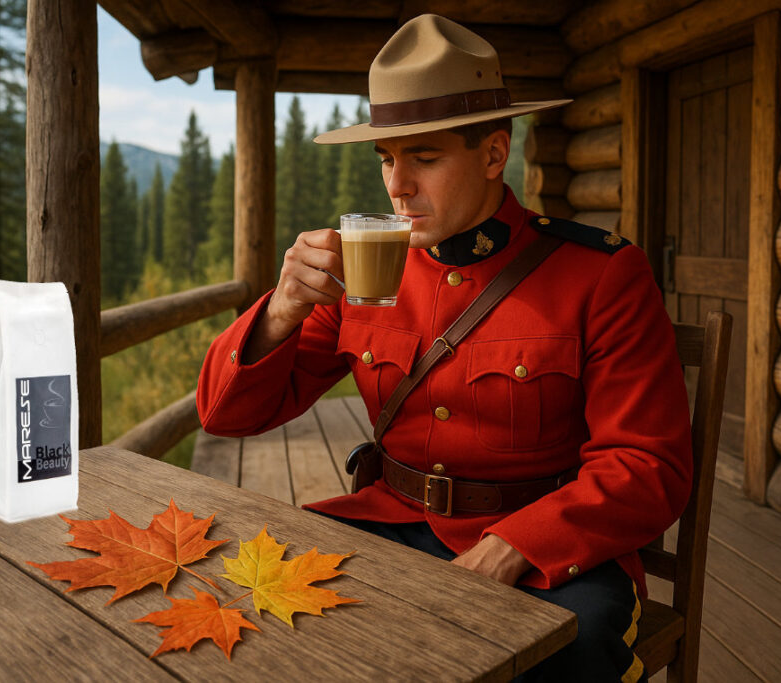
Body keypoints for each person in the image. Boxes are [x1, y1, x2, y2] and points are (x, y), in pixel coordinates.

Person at [197, 14, 692, 682]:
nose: (397, 185)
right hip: (387, 520)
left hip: (550, 552)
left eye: (423, 158)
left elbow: (648, 463)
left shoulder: (600, 275)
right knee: (261, 611)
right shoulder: (365, 269)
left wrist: (513, 544)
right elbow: (225, 415)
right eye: (386, 160)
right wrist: (281, 308)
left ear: (494, 153)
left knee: (571, 648)